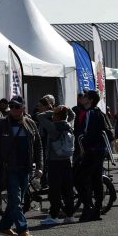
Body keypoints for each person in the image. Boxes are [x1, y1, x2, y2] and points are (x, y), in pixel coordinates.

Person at [0, 96, 42, 236]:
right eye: (12, 106)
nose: (14, 109)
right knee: (16, 201)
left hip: (26, 169)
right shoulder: (1, 124)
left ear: (23, 107)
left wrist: (39, 166)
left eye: (17, 106)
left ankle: (4, 227)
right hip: (8, 169)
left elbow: (38, 147)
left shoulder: (30, 123)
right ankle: (23, 230)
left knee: (16, 201)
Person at [74, 89, 108, 222]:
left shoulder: (90, 113)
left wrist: (84, 147)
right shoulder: (98, 112)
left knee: (79, 178)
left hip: (92, 151)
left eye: (85, 96)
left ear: (91, 100)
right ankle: (96, 210)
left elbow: (88, 133)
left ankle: (88, 207)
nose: (82, 98)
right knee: (96, 180)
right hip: (98, 150)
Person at [41, 105, 76, 225]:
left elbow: (40, 117)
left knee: (55, 190)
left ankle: (54, 215)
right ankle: (70, 215)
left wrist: (51, 111)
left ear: (56, 116)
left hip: (54, 161)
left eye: (54, 115)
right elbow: (72, 115)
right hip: (67, 160)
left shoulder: (53, 127)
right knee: (67, 189)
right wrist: (66, 109)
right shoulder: (69, 126)